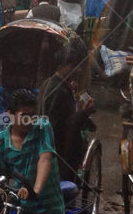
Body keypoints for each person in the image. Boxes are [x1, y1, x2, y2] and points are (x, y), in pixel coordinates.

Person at [38, 43, 95, 183]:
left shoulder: (49, 83)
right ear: (61, 66)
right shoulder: (59, 91)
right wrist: (84, 112)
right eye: (73, 66)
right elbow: (61, 127)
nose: (78, 70)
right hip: (60, 152)